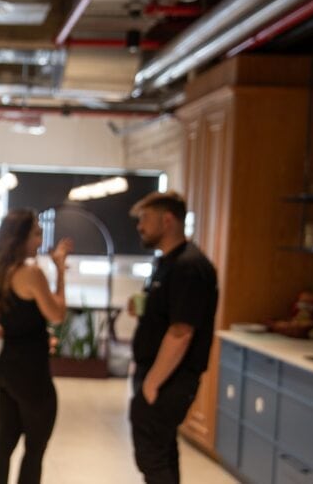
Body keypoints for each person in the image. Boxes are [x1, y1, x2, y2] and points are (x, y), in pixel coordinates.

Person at [127, 191, 218, 484]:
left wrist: (152, 384)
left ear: (167, 221)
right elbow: (167, 313)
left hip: (170, 378)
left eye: (145, 219)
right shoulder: (165, 262)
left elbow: (181, 331)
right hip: (156, 373)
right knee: (162, 453)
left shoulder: (189, 266)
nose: (140, 226)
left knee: (151, 456)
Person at [0, 209, 73, 484]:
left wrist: (21, 334)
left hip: (7, 370)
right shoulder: (31, 273)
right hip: (32, 374)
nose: (41, 241)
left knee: (3, 446)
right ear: (19, 237)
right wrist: (60, 271)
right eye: (36, 234)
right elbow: (57, 314)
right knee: (34, 450)